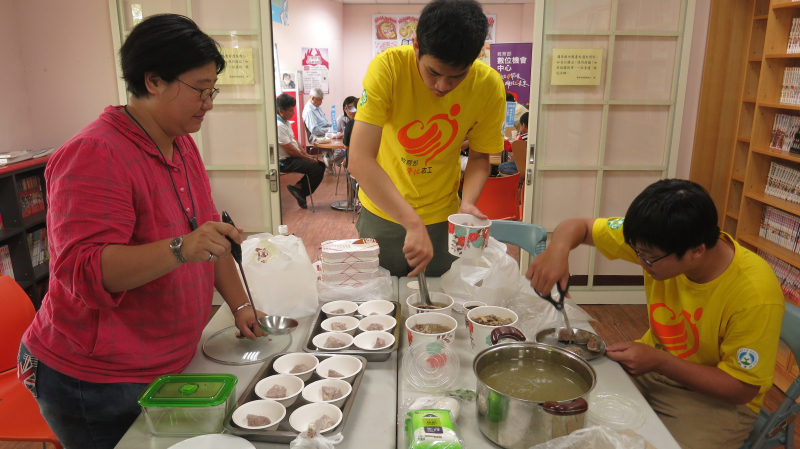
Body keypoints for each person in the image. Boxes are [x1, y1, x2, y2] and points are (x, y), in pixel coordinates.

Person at [16, 14, 268, 449]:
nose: (208, 103)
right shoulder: (96, 152)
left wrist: (241, 305)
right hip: (97, 380)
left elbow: (212, 239)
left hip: (166, 362)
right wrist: (181, 248)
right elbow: (85, 271)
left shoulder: (181, 142)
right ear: (153, 81)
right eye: (200, 90)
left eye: (212, 90)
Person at [525, 179, 784, 449]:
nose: (640, 261)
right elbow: (578, 226)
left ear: (696, 250)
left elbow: (742, 389)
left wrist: (661, 362)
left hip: (714, 401)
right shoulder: (656, 237)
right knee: (561, 411)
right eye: (637, 251)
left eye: (648, 258)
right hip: (652, 367)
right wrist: (558, 250)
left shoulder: (755, 294)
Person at [349, 0, 506, 277]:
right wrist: (411, 222)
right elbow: (359, 159)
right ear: (416, 46)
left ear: (476, 58)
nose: (442, 86)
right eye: (433, 72)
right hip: (382, 211)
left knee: (439, 295)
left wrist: (468, 201)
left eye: (457, 76)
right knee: (380, 296)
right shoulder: (389, 67)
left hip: (442, 216)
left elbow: (481, 155)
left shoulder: (488, 86)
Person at [276, 93, 326, 209]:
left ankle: (299, 189)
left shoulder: (285, 122)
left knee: (321, 166)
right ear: (281, 111)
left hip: (292, 157)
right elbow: (290, 150)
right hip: (285, 161)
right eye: (291, 110)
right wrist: (308, 158)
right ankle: (301, 191)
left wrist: (307, 155)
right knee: (316, 169)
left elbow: (295, 142)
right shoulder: (279, 126)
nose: (293, 113)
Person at [498, 111, 527, 175]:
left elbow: (510, 148)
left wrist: (504, 140)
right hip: (531, 163)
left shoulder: (523, 137)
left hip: (523, 164)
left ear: (524, 125)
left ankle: (520, 175)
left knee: (502, 166)